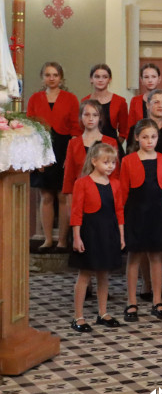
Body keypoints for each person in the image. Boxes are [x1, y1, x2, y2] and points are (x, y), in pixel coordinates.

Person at [119, 120, 162, 322]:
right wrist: (121, 223)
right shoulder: (128, 160)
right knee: (134, 257)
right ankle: (131, 302)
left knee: (156, 258)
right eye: (144, 137)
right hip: (135, 213)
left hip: (158, 212)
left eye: (153, 137)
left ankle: (157, 300)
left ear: (157, 138)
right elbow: (123, 193)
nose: (149, 141)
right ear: (136, 138)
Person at [69, 143, 124, 333]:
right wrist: (77, 237)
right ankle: (78, 316)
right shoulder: (82, 183)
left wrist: (121, 236)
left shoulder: (115, 184)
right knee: (84, 274)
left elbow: (119, 211)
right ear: (94, 161)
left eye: (113, 163)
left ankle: (103, 313)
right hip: (89, 233)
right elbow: (76, 213)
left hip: (108, 233)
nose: (110, 166)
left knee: (104, 274)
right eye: (106, 162)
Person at [27, 62, 79, 252]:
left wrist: (70, 156)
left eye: (55, 74)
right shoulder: (34, 99)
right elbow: (31, 128)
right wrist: (36, 158)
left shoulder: (71, 99)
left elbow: (75, 129)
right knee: (46, 195)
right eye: (48, 74)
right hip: (41, 147)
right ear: (42, 78)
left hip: (64, 147)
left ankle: (63, 241)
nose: (51, 78)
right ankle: (48, 240)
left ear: (61, 77)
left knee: (63, 195)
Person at [63, 100, 119, 206]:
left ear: (100, 118)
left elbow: (115, 175)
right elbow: (69, 177)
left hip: (106, 197)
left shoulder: (110, 142)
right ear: (81, 117)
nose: (91, 119)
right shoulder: (73, 143)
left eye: (95, 115)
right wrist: (70, 206)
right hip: (81, 197)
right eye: (87, 114)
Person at [82, 63, 129, 148]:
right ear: (91, 79)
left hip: (112, 148)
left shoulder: (120, 101)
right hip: (89, 146)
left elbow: (124, 131)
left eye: (104, 77)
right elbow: (81, 127)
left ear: (110, 79)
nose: (100, 80)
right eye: (97, 77)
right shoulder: (85, 101)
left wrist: (114, 146)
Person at [128, 63, 162, 128]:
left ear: (159, 79)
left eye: (153, 77)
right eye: (146, 77)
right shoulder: (135, 101)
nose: (150, 80)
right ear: (141, 80)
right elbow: (130, 127)